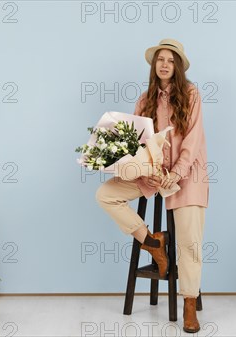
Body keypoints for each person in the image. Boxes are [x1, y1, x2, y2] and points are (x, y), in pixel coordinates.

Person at [96, 38, 209, 333]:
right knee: (106, 194)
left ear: (178, 66)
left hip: (186, 177)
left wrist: (177, 172)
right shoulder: (144, 99)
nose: (164, 64)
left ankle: (188, 303)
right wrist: (146, 171)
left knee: (189, 243)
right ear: (153, 64)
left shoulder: (191, 95)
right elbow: (138, 144)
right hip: (153, 175)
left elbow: (194, 140)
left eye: (170, 60)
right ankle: (153, 244)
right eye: (160, 59)